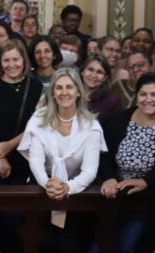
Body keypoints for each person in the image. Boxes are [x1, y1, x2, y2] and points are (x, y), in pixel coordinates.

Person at [18, 68, 107, 253]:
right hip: (43, 187)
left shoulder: (92, 126)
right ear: (52, 93)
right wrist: (49, 183)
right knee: (42, 243)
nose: (64, 92)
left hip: (77, 191)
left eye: (69, 87)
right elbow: (35, 161)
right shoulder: (38, 119)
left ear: (78, 91)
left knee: (71, 244)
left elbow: (90, 171)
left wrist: (68, 188)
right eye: (58, 88)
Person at [99, 72, 155, 253]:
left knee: (128, 245)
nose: (148, 99)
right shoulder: (120, 120)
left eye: (154, 95)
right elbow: (103, 153)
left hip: (152, 201)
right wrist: (109, 178)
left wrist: (146, 181)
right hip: (116, 197)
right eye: (143, 94)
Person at [0, 39, 42, 252]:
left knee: (13, 217)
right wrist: (1, 156)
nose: (11, 64)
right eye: (6, 60)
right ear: (0, 63)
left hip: (23, 160)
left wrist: (10, 146)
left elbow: (37, 124)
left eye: (16, 59)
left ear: (24, 60)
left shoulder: (36, 87)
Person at [80, 54, 123, 124]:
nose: (94, 75)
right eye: (90, 69)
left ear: (105, 77)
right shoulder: (72, 93)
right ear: (82, 71)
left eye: (99, 72)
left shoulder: (112, 101)